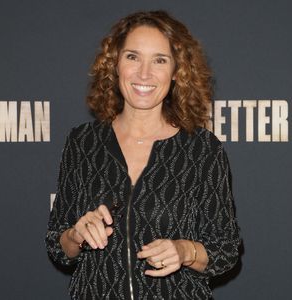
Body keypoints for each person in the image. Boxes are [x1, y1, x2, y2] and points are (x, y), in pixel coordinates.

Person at [46, 10, 240, 300]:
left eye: (159, 60)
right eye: (132, 57)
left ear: (176, 72)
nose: (144, 73)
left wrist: (184, 251)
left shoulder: (202, 149)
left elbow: (226, 249)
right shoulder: (83, 142)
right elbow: (57, 245)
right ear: (115, 64)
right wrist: (75, 235)